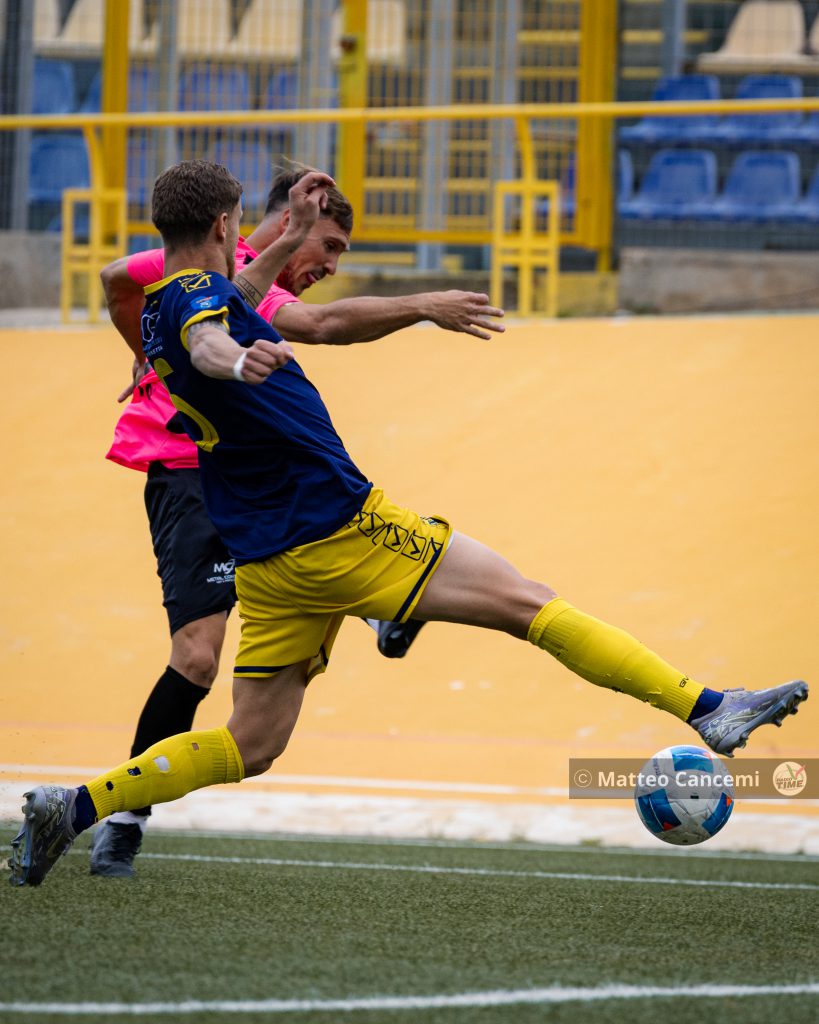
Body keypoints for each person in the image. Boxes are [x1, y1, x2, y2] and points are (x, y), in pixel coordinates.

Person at [9, 161, 808, 888]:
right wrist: (238, 361)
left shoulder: (166, 304)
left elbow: (227, 306)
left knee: (249, 745)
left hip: (271, 560)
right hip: (339, 526)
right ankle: (707, 706)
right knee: (529, 604)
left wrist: (286, 230)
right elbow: (214, 338)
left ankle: (73, 807)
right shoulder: (195, 314)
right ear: (226, 222)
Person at [92, 163, 507, 878]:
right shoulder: (196, 269)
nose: (333, 265)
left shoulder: (254, 277)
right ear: (284, 225)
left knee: (328, 515)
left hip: (254, 482)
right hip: (186, 469)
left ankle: (378, 605)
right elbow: (116, 279)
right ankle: (121, 821)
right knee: (196, 656)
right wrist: (148, 353)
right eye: (333, 247)